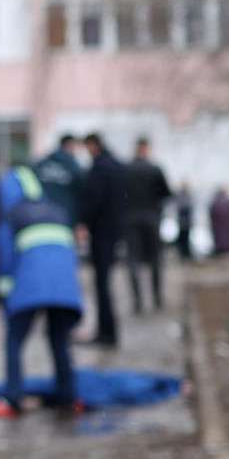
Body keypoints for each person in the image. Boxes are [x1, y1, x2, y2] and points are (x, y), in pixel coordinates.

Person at [0, 163, 83, 419]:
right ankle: (69, 397)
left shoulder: (10, 215)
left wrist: (3, 294)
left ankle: (12, 398)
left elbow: (4, 258)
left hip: (30, 287)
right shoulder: (57, 210)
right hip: (64, 289)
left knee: (15, 340)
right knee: (59, 340)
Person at [78, 133, 127, 348]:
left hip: (102, 233)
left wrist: (83, 222)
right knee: (104, 284)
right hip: (114, 231)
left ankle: (106, 333)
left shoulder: (100, 169)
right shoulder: (117, 166)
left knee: (102, 285)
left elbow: (93, 200)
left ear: (93, 145)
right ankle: (107, 331)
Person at [123, 137, 172, 313]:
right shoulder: (154, 169)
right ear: (146, 149)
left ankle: (137, 301)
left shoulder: (126, 170)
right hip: (151, 218)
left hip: (130, 220)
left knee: (133, 261)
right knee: (155, 259)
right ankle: (157, 298)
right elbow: (166, 194)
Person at [29, 134, 84, 226]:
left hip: (41, 215)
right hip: (66, 217)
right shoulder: (73, 166)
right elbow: (81, 194)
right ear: (69, 145)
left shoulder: (41, 164)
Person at [210, 186, 229, 255]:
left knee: (222, 239)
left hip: (221, 227)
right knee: (227, 239)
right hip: (227, 226)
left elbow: (212, 214)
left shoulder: (216, 202)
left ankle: (223, 249)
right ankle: (227, 249)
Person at [174, 183, 195, 262]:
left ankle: (185, 253)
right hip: (183, 222)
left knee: (185, 238)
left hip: (185, 222)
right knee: (183, 238)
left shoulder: (185, 196)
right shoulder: (183, 197)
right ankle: (184, 254)